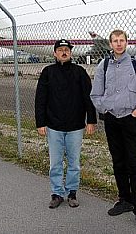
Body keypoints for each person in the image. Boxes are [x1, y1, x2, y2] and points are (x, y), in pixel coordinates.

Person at [90, 29, 136, 230]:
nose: (118, 44)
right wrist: (105, 109)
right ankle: (124, 199)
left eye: (122, 40)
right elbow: (95, 95)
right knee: (118, 161)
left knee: (134, 163)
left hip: (131, 119)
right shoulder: (103, 66)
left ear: (126, 42)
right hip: (112, 119)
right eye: (115, 41)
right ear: (110, 44)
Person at [35, 39, 97, 209]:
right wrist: (40, 123)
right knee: (55, 163)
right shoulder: (47, 72)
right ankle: (56, 193)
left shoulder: (79, 72)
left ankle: (72, 193)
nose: (64, 52)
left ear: (71, 53)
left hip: (75, 126)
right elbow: (40, 99)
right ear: (55, 53)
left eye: (66, 50)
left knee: (74, 162)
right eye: (60, 50)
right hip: (54, 126)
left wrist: (91, 120)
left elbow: (88, 97)